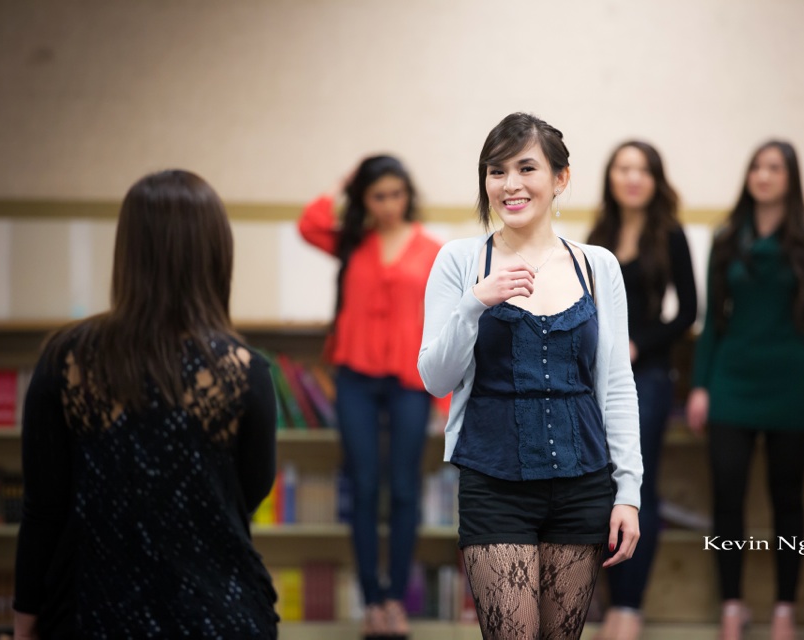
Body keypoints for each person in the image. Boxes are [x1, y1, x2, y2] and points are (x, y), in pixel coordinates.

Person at [12, 170, 279, 639]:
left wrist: (23, 627)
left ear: (128, 252)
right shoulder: (244, 371)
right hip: (221, 616)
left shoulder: (66, 360)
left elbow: (43, 511)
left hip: (91, 616)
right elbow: (247, 496)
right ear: (217, 255)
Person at [418, 112, 643, 640]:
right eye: (496, 172)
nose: (510, 185)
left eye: (526, 168)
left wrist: (627, 491)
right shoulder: (460, 261)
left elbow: (614, 385)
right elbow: (435, 377)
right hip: (494, 483)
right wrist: (476, 301)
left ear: (561, 179)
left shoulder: (598, 265)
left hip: (583, 483)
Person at [685, 141, 804, 640]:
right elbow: (712, 323)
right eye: (756, 166)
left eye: (774, 167)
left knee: (788, 498)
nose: (763, 175)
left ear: (790, 178)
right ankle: (732, 605)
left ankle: (784, 608)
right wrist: (699, 386)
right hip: (731, 382)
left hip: (793, 383)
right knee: (728, 494)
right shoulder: (727, 237)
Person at [298, 155, 442, 640]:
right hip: (355, 378)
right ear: (365, 199)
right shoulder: (352, 242)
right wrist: (344, 185)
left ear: (409, 195)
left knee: (403, 490)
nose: (388, 205)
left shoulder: (432, 250)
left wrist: (444, 398)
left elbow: (447, 324)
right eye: (377, 195)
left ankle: (396, 600)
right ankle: (371, 602)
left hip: (409, 381)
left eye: (396, 194)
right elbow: (309, 223)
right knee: (362, 487)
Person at [586, 141, 697, 640]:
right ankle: (609, 602)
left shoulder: (669, 234)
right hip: (595, 375)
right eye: (622, 168)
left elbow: (688, 312)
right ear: (610, 178)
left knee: (637, 485)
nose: (632, 177)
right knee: (600, 486)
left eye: (642, 170)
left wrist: (637, 344)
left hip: (647, 375)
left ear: (656, 179)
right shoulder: (598, 234)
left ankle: (629, 608)